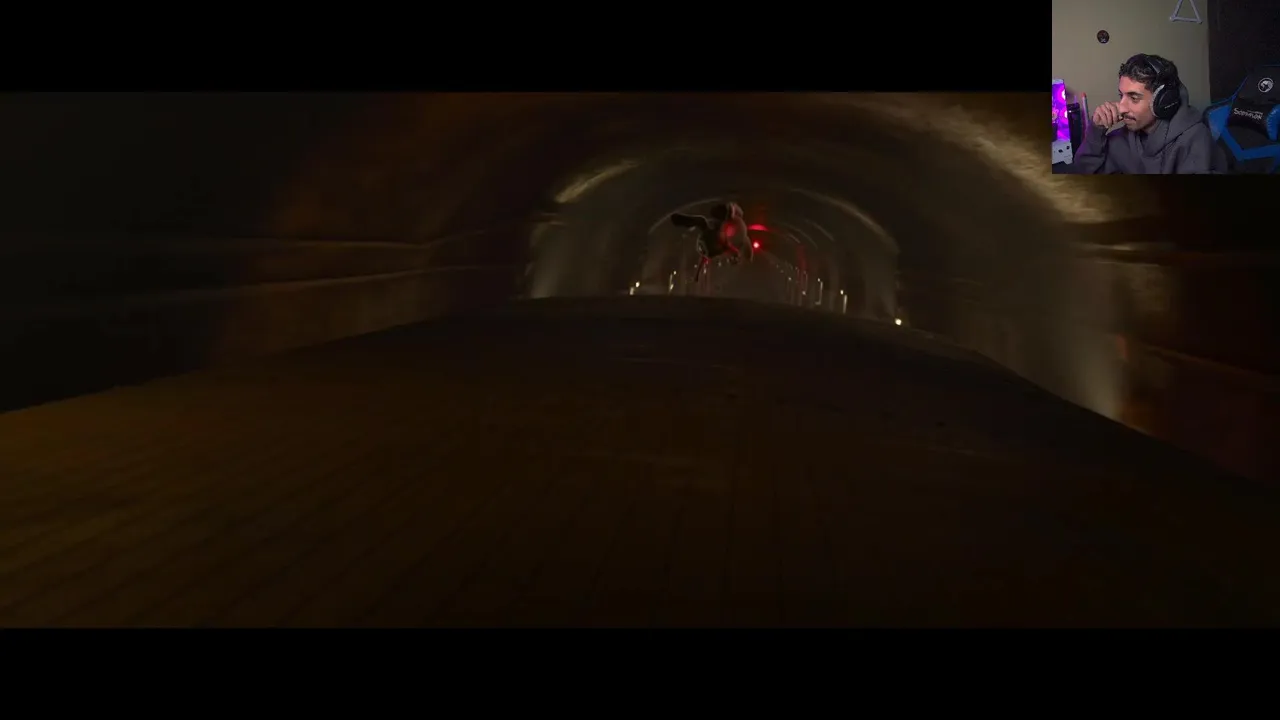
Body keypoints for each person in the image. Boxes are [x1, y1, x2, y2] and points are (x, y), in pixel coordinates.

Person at [1071, 54, 1221, 174]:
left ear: (1163, 101)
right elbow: (1082, 174)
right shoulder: (1123, 138)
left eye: (1134, 98)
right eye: (1121, 95)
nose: (1121, 108)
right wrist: (1096, 131)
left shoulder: (1194, 139)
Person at [669, 202, 754, 278]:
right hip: (711, 241)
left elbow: (740, 250)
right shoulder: (722, 235)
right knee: (702, 222)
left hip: (712, 244)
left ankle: (678, 220)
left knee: (702, 222)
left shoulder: (726, 243)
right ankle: (678, 220)